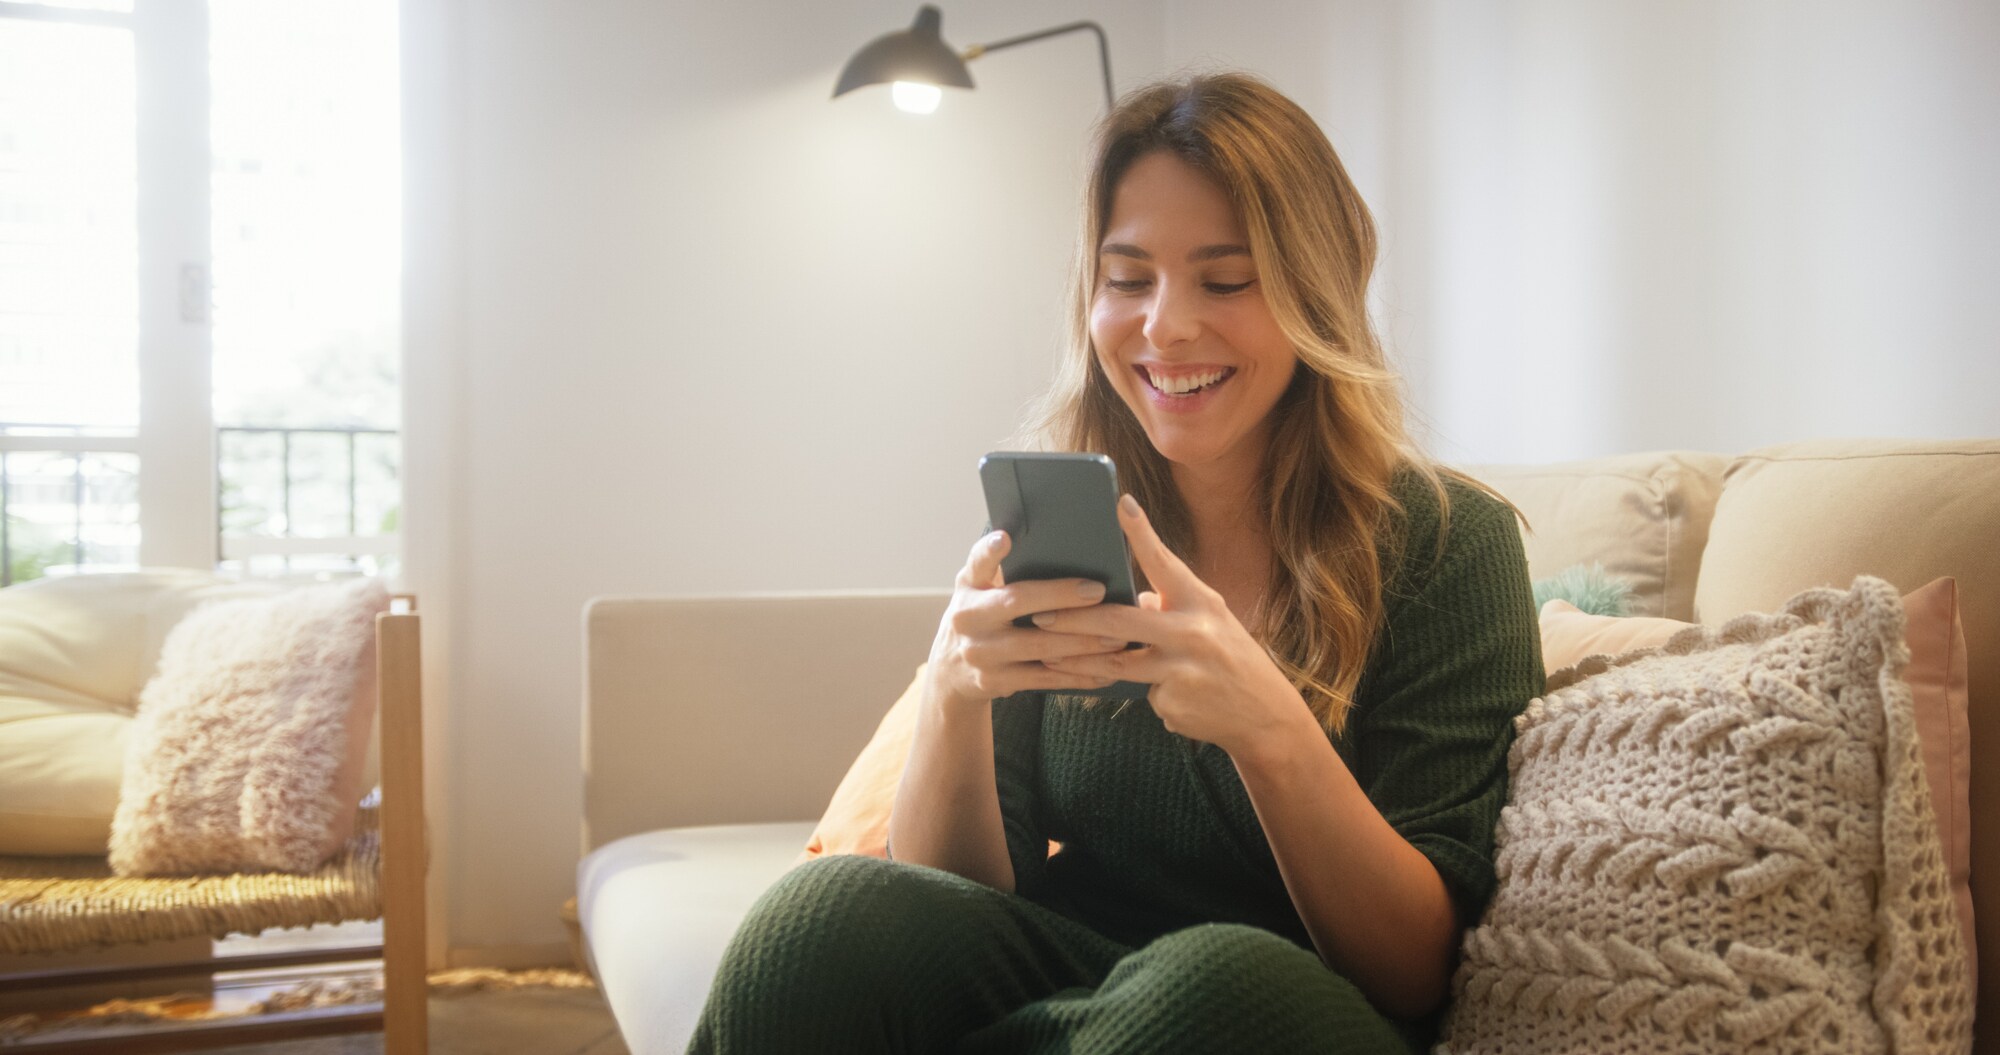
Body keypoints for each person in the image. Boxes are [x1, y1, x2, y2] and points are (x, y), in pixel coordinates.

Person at [687, 72, 1542, 1055]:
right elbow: (951, 898)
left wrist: (1270, 730)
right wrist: (953, 697)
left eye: (1225, 279)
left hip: (1281, 1006)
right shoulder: (1066, 526)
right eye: (1128, 279)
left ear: (1314, 289)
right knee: (820, 921)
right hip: (1076, 972)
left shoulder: (1447, 544)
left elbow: (1416, 967)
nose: (1164, 325)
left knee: (1213, 979)